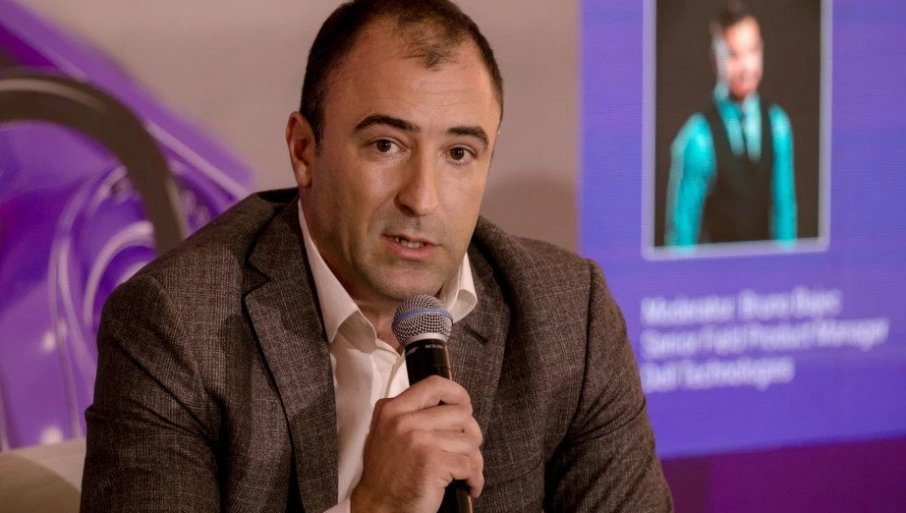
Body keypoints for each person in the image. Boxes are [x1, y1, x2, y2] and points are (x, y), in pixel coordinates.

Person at [80, 1, 673, 512]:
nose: (422, 198)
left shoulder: (570, 316)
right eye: (386, 145)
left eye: (459, 153)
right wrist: (377, 506)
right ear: (304, 150)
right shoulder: (177, 323)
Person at [665, 1, 797, 247]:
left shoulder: (778, 125)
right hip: (716, 269)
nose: (746, 66)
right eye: (734, 55)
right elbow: (682, 232)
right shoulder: (698, 137)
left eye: (752, 51)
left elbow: (784, 211)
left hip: (766, 269)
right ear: (716, 59)